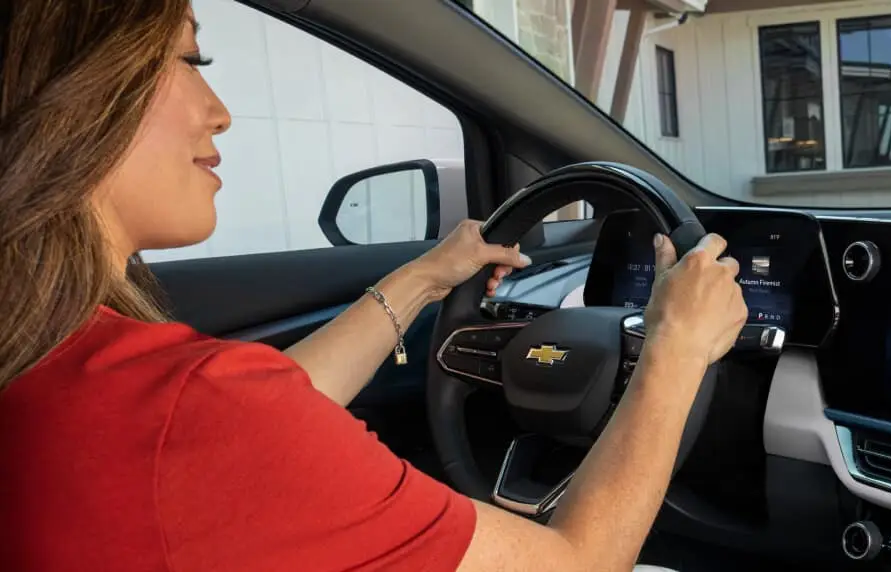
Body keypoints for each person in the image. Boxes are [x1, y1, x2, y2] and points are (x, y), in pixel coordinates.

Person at [0, 2, 748, 571]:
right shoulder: (193, 411)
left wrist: (427, 278)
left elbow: (266, 416)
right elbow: (577, 561)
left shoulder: (67, 367)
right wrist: (674, 351)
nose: (220, 112)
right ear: (76, 94)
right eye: (192, 59)